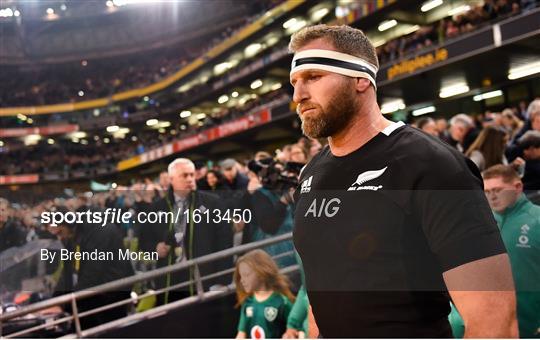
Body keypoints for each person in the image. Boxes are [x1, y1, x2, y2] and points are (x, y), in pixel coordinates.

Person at [289, 24, 517, 338]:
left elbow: (496, 320)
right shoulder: (312, 173)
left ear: (360, 78)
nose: (299, 95)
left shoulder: (433, 165)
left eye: (313, 77)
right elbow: (322, 294)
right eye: (295, 82)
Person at [451, 165, 540, 338]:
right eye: (486, 191)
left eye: (498, 190)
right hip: (490, 324)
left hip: (530, 323)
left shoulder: (536, 220)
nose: (492, 196)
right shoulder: (480, 221)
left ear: (517, 187)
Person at [152, 158, 233, 304]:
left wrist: (223, 279)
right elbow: (146, 239)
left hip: (203, 276)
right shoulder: (158, 207)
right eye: (184, 175)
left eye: (192, 175)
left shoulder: (212, 203)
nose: (190, 179)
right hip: (171, 278)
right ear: (171, 179)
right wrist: (155, 248)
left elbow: (225, 241)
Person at [234, 249, 295, 339]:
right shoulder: (247, 303)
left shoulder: (281, 302)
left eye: (246, 275)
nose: (242, 280)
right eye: (241, 276)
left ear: (261, 273)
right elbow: (241, 334)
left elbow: (297, 327)